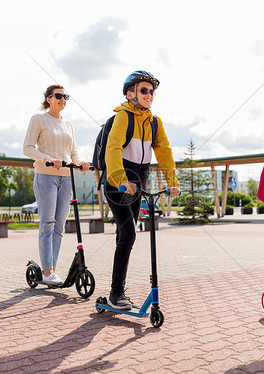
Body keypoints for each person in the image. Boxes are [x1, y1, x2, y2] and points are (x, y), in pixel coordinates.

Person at [103, 70, 180, 309]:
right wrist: (120, 179)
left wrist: (172, 181)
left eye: (152, 91)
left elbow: (164, 151)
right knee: (128, 234)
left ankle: (117, 291)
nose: (149, 95)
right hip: (119, 184)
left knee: (124, 235)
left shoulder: (155, 122)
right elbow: (113, 147)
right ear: (130, 94)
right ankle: (116, 294)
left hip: (139, 183)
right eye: (144, 90)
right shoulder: (123, 117)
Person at [23, 84, 91, 285]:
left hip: (66, 177)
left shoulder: (68, 124)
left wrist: (81, 163)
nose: (63, 99)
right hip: (46, 176)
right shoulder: (38, 119)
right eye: (59, 96)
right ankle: (45, 271)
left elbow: (73, 153)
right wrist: (47, 159)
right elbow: (27, 148)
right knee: (48, 224)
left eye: (65, 96)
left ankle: (52, 269)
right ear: (48, 99)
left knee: (60, 225)